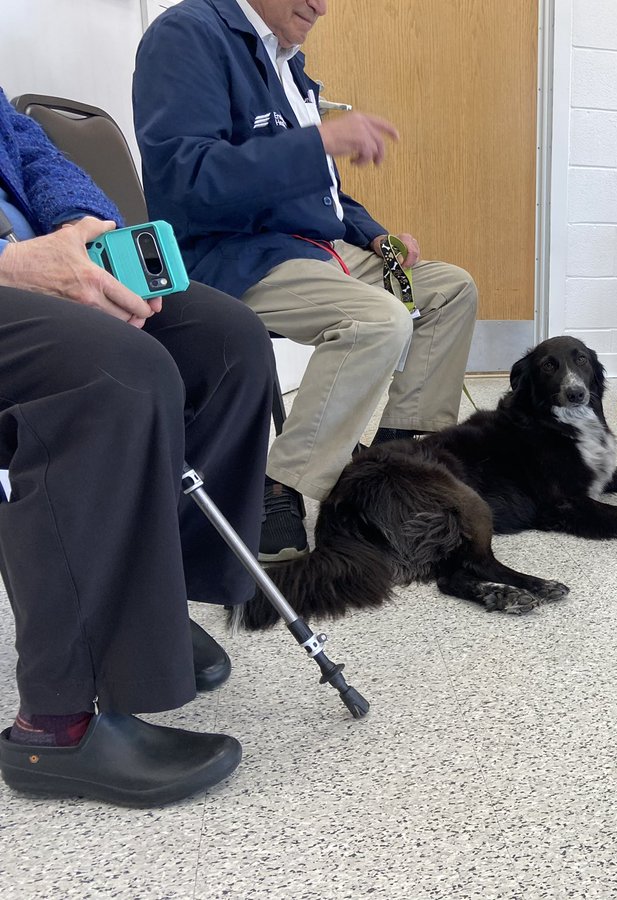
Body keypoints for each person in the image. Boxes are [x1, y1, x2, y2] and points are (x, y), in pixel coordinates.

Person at [0, 87, 275, 805]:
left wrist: (79, 235)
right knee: (114, 369)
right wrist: (10, 262)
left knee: (228, 342)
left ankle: (149, 609)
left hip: (35, 266)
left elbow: (28, 150)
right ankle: (55, 729)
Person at [132, 0, 480, 563]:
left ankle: (393, 466)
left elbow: (326, 187)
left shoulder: (286, 61)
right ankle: (280, 488)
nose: (321, 5)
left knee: (450, 289)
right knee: (374, 320)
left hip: (314, 247)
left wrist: (373, 234)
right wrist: (315, 141)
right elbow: (187, 178)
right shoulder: (187, 35)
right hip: (234, 254)